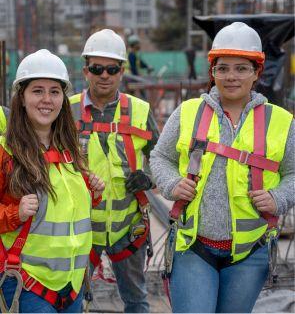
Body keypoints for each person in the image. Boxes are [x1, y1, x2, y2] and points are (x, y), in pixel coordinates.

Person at [150, 22, 294, 313]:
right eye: (223, 68)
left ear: (257, 72)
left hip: (249, 253)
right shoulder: (188, 112)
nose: (231, 76)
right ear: (212, 71)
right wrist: (172, 184)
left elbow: (293, 173)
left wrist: (279, 198)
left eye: (241, 68)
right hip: (193, 246)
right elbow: (159, 158)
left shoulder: (280, 121)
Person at [0, 49, 104, 313]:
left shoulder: (71, 151)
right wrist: (15, 213)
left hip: (72, 285)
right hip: (28, 285)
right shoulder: (6, 152)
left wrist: (92, 193)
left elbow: (65, 213)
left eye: (55, 91)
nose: (47, 100)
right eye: (37, 91)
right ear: (21, 98)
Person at [69, 29, 159, 313]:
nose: (104, 75)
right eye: (97, 68)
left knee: (135, 300)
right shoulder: (66, 110)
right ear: (86, 71)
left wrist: (150, 177)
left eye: (111, 69)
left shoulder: (140, 111)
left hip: (127, 227)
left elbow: (162, 157)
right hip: (81, 228)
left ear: (121, 71)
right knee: (72, 300)